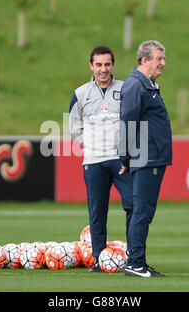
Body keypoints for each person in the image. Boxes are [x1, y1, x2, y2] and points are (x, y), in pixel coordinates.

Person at [69, 45, 133, 272]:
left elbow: (135, 121)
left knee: (133, 206)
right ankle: (97, 259)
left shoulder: (127, 89)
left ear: (113, 65)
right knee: (97, 210)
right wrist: (93, 144)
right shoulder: (80, 93)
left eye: (107, 64)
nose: (103, 69)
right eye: (99, 64)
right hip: (93, 160)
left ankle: (135, 258)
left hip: (121, 160)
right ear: (91, 66)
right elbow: (75, 126)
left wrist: (127, 150)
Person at [118, 40, 172, 277]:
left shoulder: (146, 85)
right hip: (145, 158)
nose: (163, 63)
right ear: (144, 60)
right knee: (142, 211)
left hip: (151, 158)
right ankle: (135, 263)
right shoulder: (135, 86)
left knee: (143, 211)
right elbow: (127, 122)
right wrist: (125, 157)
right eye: (159, 58)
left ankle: (138, 261)